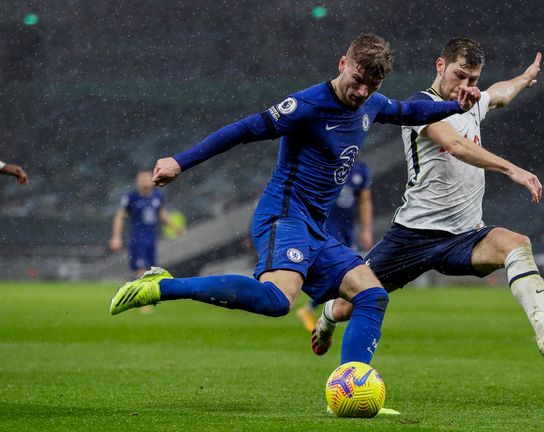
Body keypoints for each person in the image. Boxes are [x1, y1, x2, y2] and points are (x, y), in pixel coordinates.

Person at [109, 34, 481, 367]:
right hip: (283, 215)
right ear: (343, 64)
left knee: (371, 295)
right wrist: (180, 161)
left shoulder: (371, 103)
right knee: (278, 301)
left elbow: (409, 111)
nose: (362, 93)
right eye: (357, 81)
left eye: (372, 85)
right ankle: (162, 286)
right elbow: (241, 131)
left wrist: (456, 107)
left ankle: (353, 385)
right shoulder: (306, 105)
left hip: (314, 227)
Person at [311, 37, 544, 360]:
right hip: (413, 235)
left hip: (463, 235)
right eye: (460, 75)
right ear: (440, 66)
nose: (466, 85)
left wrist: (524, 80)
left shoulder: (472, 103)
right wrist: (511, 169)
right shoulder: (420, 106)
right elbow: (456, 145)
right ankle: (327, 320)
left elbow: (499, 94)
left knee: (516, 244)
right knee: (349, 302)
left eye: (473, 79)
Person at [296, 161, 373, 332]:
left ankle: (314, 309)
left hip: (348, 227)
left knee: (344, 271)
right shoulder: (327, 162)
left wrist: (366, 229)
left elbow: (365, 201)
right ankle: (315, 309)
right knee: (341, 270)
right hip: (329, 224)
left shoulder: (361, 169)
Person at [110, 170, 184, 276]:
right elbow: (120, 216)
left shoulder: (157, 197)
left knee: (151, 270)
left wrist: (175, 227)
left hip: (152, 238)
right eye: (142, 178)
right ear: (137, 181)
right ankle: (138, 291)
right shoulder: (132, 198)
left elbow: (161, 213)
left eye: (147, 178)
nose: (144, 181)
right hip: (137, 239)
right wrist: (116, 237)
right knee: (141, 270)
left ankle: (144, 290)